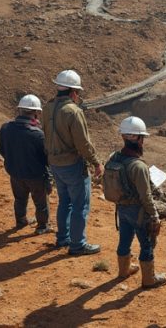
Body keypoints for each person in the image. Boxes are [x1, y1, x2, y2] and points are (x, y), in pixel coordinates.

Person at [42, 69, 103, 256]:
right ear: (74, 92)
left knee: (64, 202)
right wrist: (96, 162)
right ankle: (78, 245)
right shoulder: (73, 112)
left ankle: (63, 239)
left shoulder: (48, 108)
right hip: (72, 164)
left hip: (55, 163)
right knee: (80, 205)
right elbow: (83, 143)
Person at [103, 116, 166, 288]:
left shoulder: (114, 158)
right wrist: (154, 215)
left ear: (124, 137)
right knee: (146, 243)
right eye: (142, 138)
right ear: (139, 139)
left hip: (122, 208)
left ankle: (123, 270)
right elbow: (145, 196)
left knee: (124, 239)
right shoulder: (138, 166)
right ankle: (149, 279)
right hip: (138, 211)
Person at [0, 94, 51, 234]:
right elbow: (46, 158)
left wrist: (14, 161)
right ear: (35, 113)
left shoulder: (5, 128)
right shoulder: (38, 134)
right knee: (41, 203)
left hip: (15, 173)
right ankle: (42, 226)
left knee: (20, 199)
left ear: (20, 110)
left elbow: (1, 149)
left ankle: (21, 221)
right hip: (35, 175)